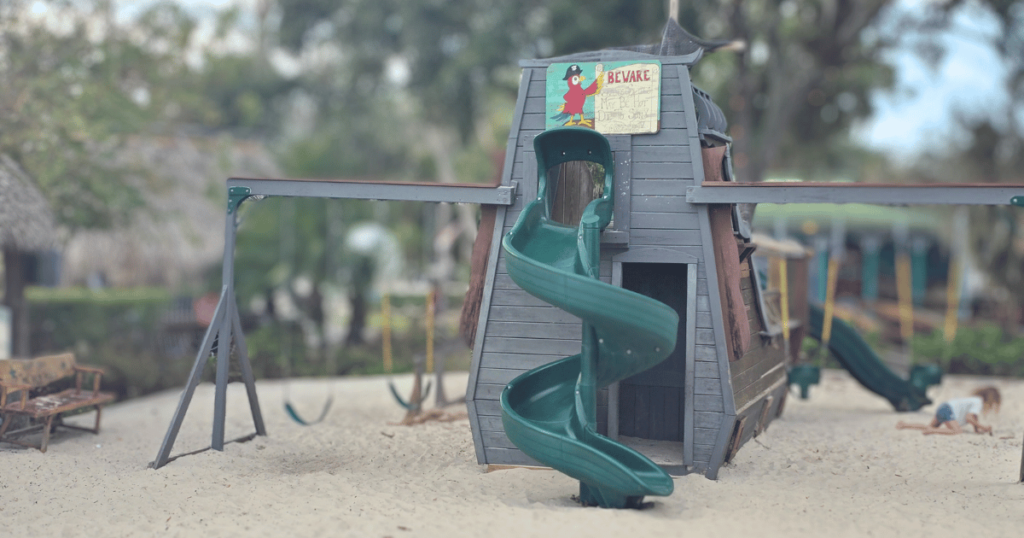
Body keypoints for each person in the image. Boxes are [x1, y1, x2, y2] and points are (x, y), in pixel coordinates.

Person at [896, 386, 1001, 436]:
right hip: (949, 410)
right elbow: (969, 418)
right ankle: (932, 431)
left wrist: (977, 430)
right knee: (957, 431)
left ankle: (905, 425)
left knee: (928, 426)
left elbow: (974, 417)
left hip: (944, 407)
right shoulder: (979, 402)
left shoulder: (975, 399)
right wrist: (983, 427)